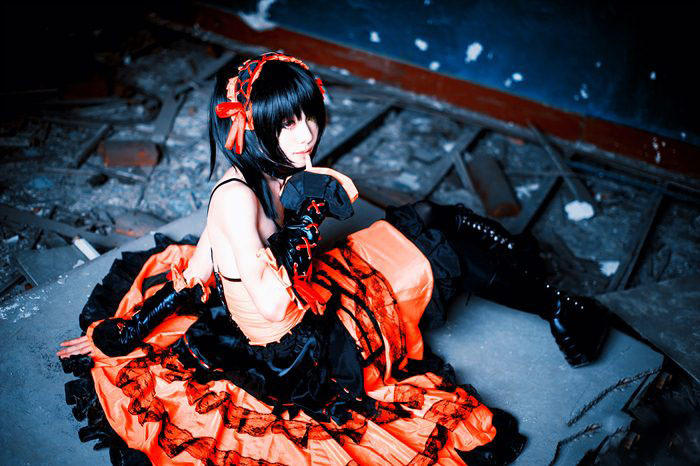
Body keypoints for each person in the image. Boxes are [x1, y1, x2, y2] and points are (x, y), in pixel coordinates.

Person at [58, 52, 608, 466]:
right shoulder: (236, 199)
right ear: (251, 126)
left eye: (309, 117)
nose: (306, 134)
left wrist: (133, 326)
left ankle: (549, 291)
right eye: (286, 124)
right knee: (433, 252)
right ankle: (560, 305)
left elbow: (198, 269)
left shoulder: (266, 174)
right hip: (305, 352)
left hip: (315, 301)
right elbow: (274, 306)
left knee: (428, 218)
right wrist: (307, 220)